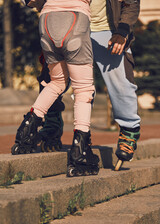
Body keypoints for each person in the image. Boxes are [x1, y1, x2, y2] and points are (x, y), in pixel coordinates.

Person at [11, 0, 99, 177]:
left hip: (47, 20)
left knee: (57, 83)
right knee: (83, 89)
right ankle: (80, 152)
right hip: (75, 17)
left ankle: (26, 132)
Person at [90, 0, 141, 170]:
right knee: (55, 78)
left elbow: (131, 3)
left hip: (108, 29)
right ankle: (51, 123)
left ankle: (129, 129)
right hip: (71, 29)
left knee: (120, 82)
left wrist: (123, 29)